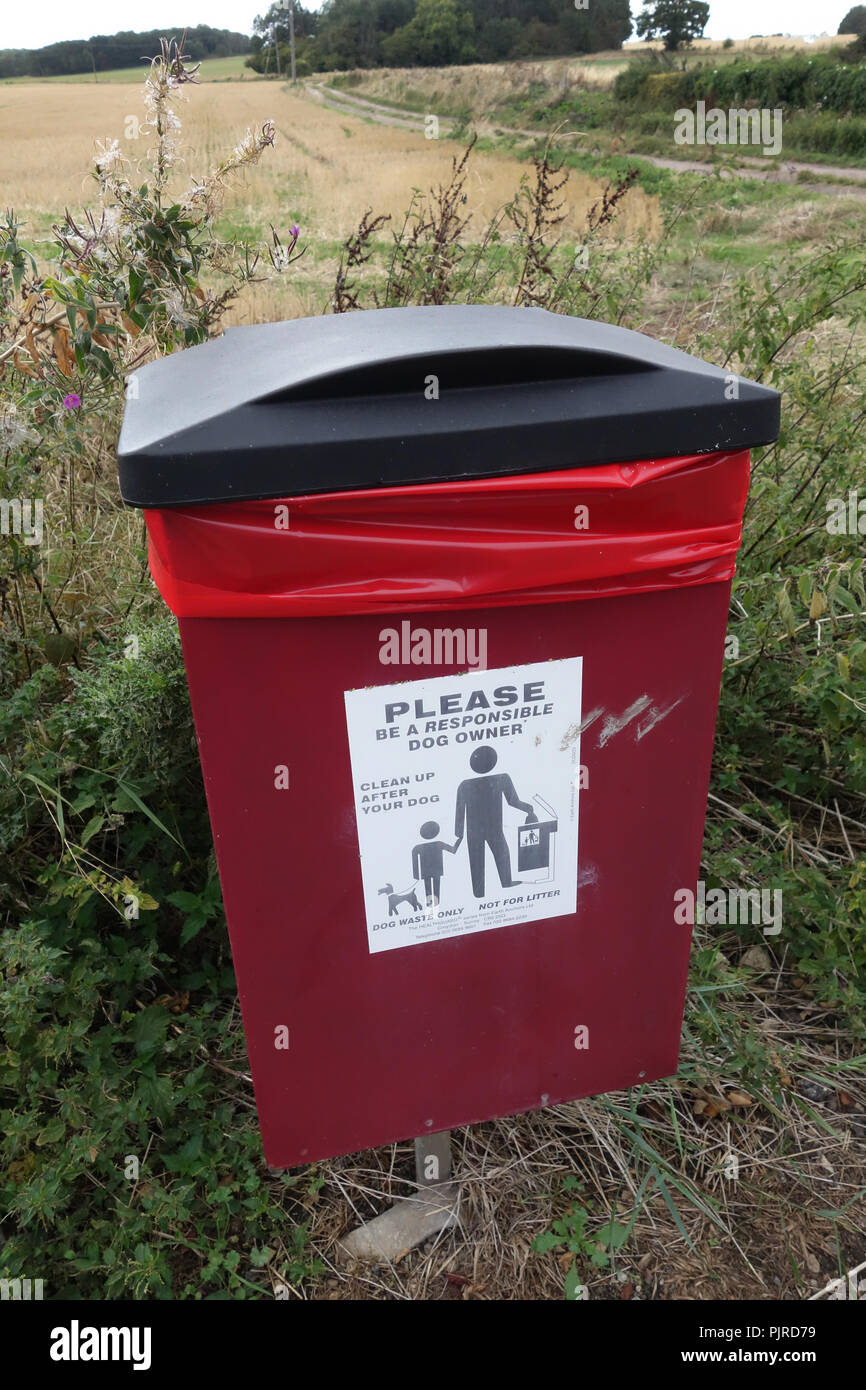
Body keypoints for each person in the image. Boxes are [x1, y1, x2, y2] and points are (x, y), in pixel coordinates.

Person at [454, 746, 537, 898]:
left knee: (477, 861)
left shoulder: (465, 785)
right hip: (494, 829)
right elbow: (514, 801)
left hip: (474, 832)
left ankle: (479, 893)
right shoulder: (502, 778)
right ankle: (506, 882)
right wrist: (529, 808)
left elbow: (459, 812)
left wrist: (458, 834)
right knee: (502, 854)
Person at [411, 821, 461, 908]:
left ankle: (433, 907)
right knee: (434, 889)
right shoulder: (438, 844)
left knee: (429, 890)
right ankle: (434, 906)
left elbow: (414, 860)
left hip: (428, 872)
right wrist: (459, 840)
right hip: (435, 871)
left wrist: (416, 876)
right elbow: (453, 850)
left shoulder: (418, 847)